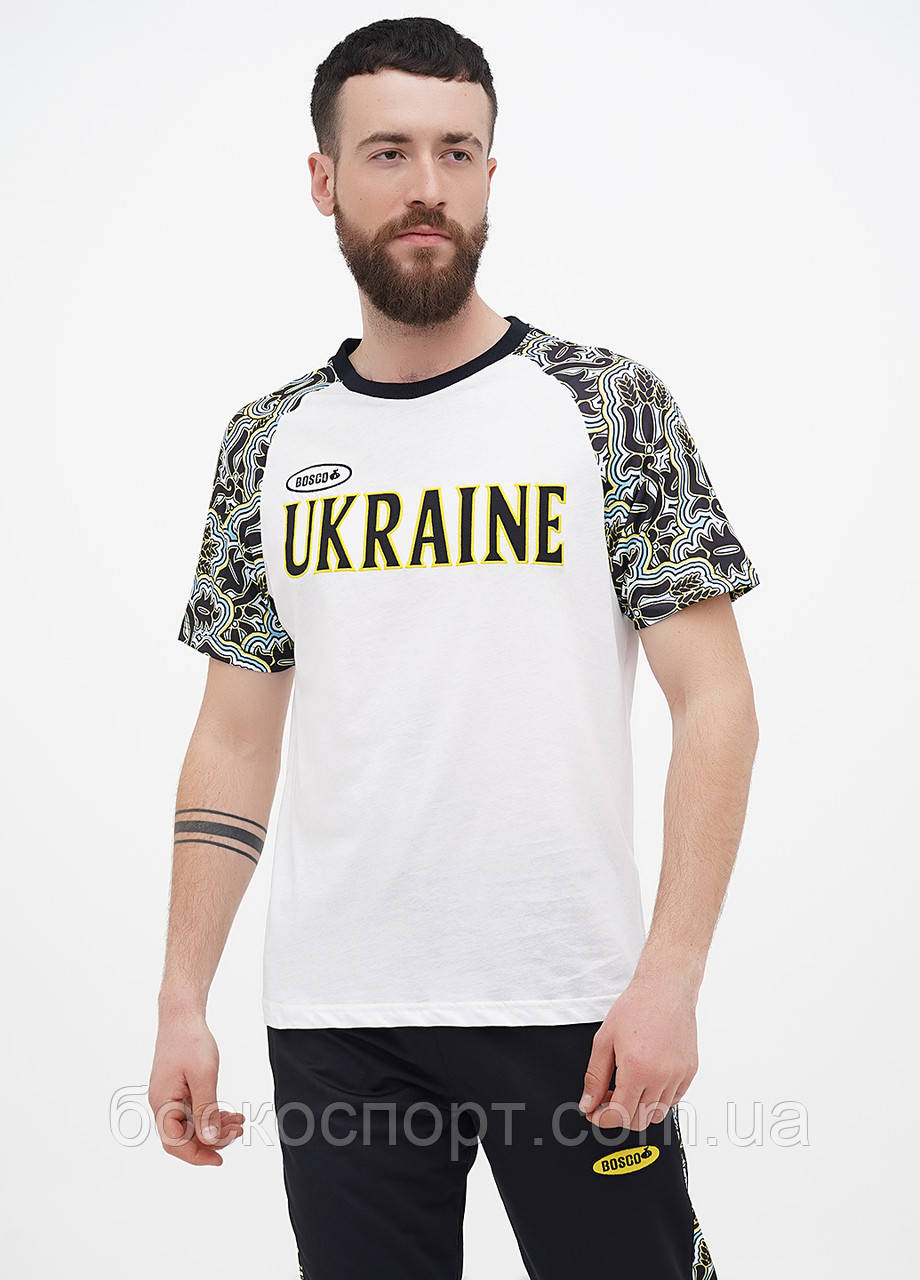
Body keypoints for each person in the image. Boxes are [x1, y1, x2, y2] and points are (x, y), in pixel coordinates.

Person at [148, 16, 760, 1280]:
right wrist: (180, 996)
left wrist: (669, 975)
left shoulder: (604, 405)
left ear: (489, 172)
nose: (425, 185)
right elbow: (233, 736)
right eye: (387, 152)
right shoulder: (266, 442)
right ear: (323, 178)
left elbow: (715, 704)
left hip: (573, 1004)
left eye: (456, 152)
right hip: (337, 1019)